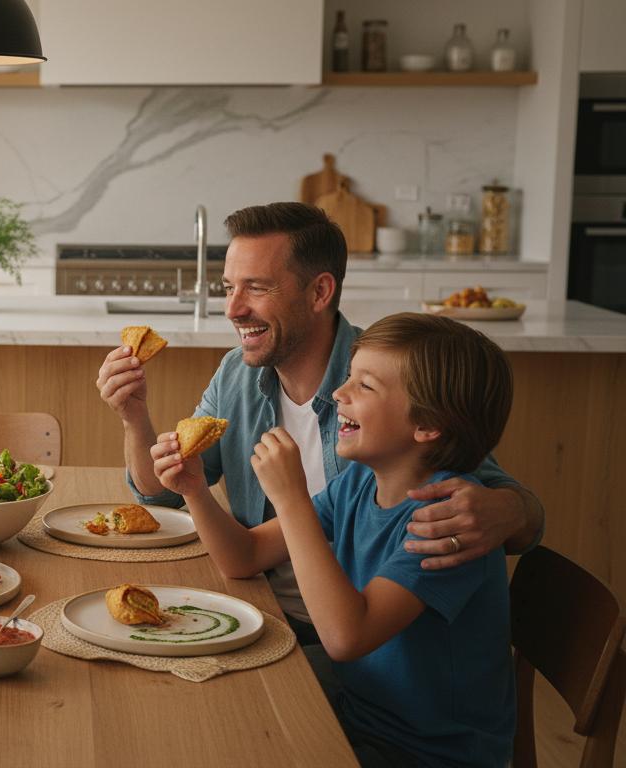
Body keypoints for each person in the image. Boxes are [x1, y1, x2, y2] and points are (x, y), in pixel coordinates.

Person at [95, 202, 542, 643]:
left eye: (256, 288)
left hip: (346, 644)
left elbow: (496, 498)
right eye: (227, 286)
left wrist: (510, 509)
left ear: (319, 293)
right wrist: (136, 420)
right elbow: (164, 497)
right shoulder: (238, 373)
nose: (232, 309)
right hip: (262, 607)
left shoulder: (393, 379)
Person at [154, 313, 515, 766]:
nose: (340, 394)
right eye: (348, 377)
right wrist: (195, 490)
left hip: (423, 751)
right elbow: (243, 557)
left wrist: (292, 501)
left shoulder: (446, 522)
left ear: (427, 425)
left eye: (365, 386)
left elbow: (346, 637)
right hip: (357, 709)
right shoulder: (361, 483)